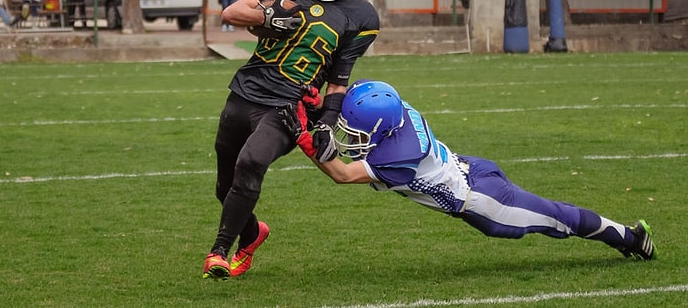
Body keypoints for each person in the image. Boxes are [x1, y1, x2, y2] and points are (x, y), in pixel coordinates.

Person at [280, 80, 657, 264]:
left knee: (559, 218)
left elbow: (342, 173)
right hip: (472, 166)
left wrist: (302, 136)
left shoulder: (399, 158)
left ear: (381, 129)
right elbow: (359, 107)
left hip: (482, 204)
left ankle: (631, 238)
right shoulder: (394, 107)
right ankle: (625, 237)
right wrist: (323, 107)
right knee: (555, 212)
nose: (349, 135)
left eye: (356, 130)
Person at [202, 0, 380, 280]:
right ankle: (252, 235)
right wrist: (267, 18)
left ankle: (219, 251)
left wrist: (327, 121)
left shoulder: (361, 16)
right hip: (247, 90)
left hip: (291, 104)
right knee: (224, 186)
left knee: (251, 162)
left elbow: (338, 79)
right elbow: (232, 13)